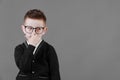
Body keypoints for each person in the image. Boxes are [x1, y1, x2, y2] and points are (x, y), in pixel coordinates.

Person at [14, 9, 61, 80]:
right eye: (29, 28)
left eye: (38, 29)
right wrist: (31, 46)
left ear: (44, 30)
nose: (34, 33)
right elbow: (24, 68)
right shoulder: (19, 48)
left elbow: (55, 74)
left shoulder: (49, 49)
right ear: (23, 29)